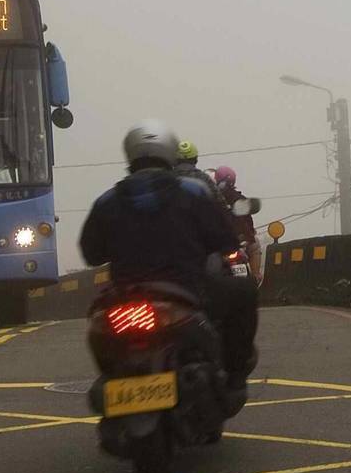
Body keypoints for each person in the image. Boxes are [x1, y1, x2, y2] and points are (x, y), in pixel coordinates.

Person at [80, 119, 258, 383]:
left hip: (125, 298)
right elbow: (226, 241)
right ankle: (235, 375)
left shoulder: (108, 200)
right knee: (245, 290)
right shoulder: (193, 191)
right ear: (170, 155)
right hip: (185, 293)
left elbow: (91, 253)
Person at [210, 163, 263, 282]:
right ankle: (255, 276)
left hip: (222, 242)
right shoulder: (239, 198)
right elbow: (248, 221)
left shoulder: (211, 198)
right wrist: (250, 234)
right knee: (255, 247)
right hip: (240, 239)